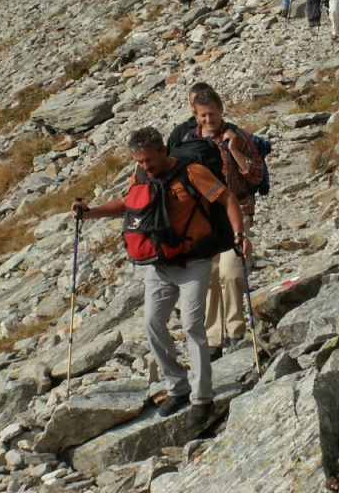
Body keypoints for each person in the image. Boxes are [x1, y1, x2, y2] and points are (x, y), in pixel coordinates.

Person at [70, 127, 247, 425]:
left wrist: (240, 234)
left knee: (192, 325)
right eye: (139, 161)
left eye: (149, 160)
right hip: (160, 263)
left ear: (163, 150)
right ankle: (177, 386)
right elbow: (127, 204)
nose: (145, 166)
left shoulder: (192, 172)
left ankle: (202, 398)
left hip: (194, 261)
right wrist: (90, 213)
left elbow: (227, 198)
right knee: (152, 324)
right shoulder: (140, 175)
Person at [176, 86, 263, 359]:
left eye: (212, 114)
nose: (208, 119)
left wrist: (233, 148)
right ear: (195, 114)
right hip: (205, 219)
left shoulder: (239, 137)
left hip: (238, 212)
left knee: (232, 272)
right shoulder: (188, 141)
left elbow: (256, 176)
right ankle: (213, 339)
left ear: (221, 110)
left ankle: (236, 331)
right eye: (203, 115)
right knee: (210, 276)